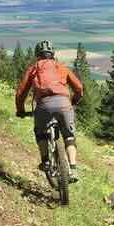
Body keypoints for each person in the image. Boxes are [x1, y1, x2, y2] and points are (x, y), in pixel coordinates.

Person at [15, 40, 84, 182]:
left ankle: (46, 161)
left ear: (37, 55)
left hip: (44, 106)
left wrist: (21, 110)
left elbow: (21, 93)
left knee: (40, 132)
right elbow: (78, 88)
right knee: (69, 136)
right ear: (52, 54)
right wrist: (73, 102)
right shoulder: (61, 67)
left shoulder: (34, 69)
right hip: (64, 104)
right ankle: (73, 168)